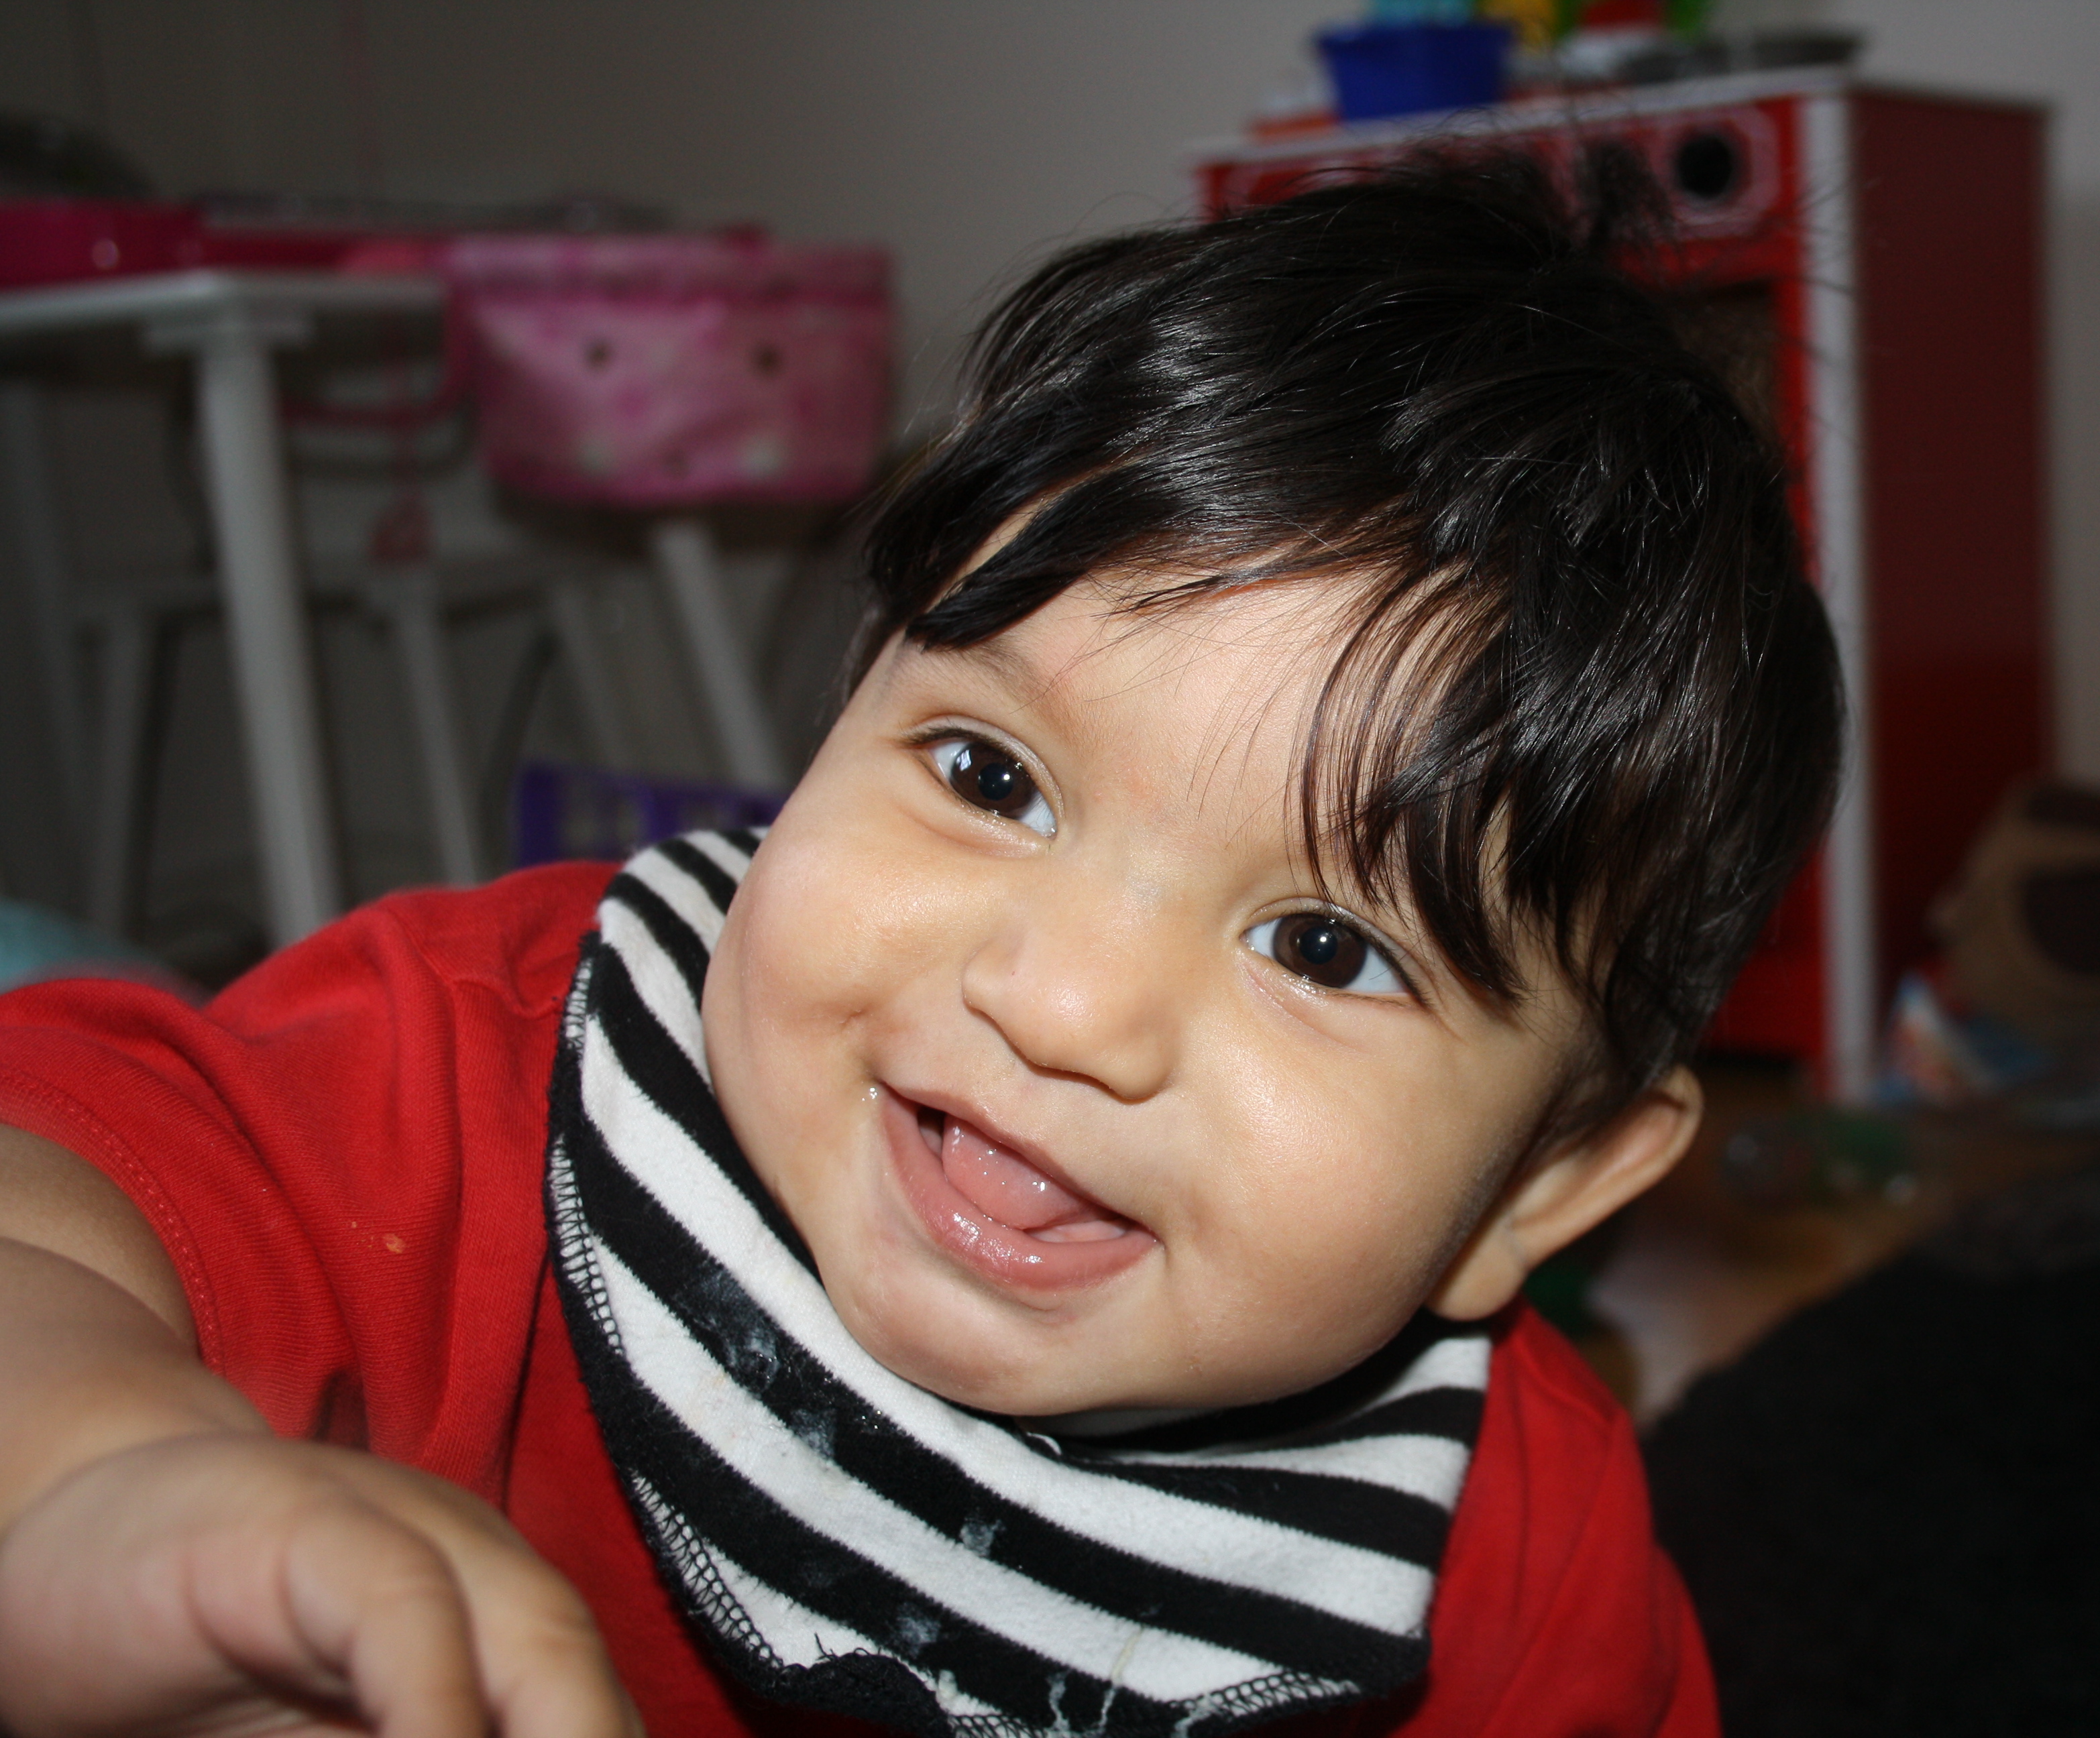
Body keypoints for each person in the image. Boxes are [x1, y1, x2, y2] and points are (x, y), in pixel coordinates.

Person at [0, 151, 1838, 1738]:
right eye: (989, 776)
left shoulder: (1516, 1573)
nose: (1064, 1005)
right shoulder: (479, 1073)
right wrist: (103, 1476)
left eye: (1324, 948)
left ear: (1548, 1181)